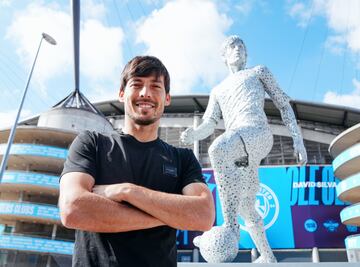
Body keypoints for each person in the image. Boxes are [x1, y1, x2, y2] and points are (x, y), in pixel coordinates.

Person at [59, 56, 215, 267]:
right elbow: (73, 209)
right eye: (137, 84)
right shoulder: (91, 144)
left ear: (166, 98)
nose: (145, 93)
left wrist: (127, 191)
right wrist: (171, 216)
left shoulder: (183, 159)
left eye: (155, 86)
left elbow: (203, 216)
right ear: (122, 94)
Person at [181, 36, 307, 263]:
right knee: (245, 205)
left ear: (247, 53)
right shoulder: (217, 90)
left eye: (242, 46)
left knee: (217, 149)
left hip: (257, 133)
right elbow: (209, 123)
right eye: (233, 47)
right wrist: (194, 134)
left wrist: (297, 140)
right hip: (240, 150)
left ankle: (229, 226)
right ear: (224, 56)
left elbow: (283, 104)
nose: (238, 49)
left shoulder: (258, 72)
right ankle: (268, 257)